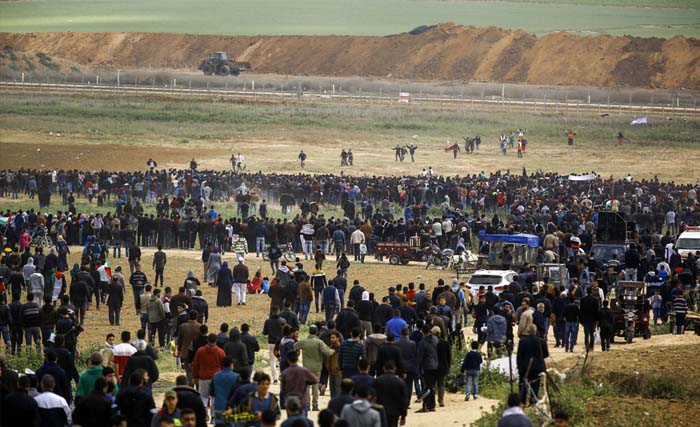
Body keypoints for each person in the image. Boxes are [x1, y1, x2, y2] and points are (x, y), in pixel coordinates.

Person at [294, 324, 334, 411]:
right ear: (316, 332)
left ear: (309, 331)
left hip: (306, 367)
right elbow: (327, 352)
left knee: (307, 387)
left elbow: (294, 346)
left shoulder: (304, 341)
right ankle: (315, 405)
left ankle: (307, 405)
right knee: (315, 387)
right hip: (317, 368)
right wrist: (335, 350)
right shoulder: (319, 342)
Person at [516, 324, 549, 406]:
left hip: (525, 367)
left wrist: (519, 367)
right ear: (536, 331)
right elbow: (546, 354)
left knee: (523, 384)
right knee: (535, 384)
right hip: (537, 367)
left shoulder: (522, 341)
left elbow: (519, 356)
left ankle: (523, 401)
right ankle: (533, 401)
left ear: (527, 331)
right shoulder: (541, 341)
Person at [192, 333, 226, 410]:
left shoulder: (200, 351)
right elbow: (224, 365)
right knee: (215, 398)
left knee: (203, 397)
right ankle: (213, 416)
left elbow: (195, 365)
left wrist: (194, 377)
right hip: (217, 378)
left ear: (207, 340)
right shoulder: (221, 352)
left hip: (203, 377)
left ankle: (204, 413)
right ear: (216, 341)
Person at [373, 360, 408, 427]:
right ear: (395, 368)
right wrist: (403, 416)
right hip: (394, 413)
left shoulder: (377, 381)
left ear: (383, 368)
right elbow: (404, 400)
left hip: (380, 411)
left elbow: (373, 397)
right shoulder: (400, 382)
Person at [416, 324, 439, 412]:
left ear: (422, 332)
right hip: (436, 365)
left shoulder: (422, 342)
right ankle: (432, 405)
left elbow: (420, 357)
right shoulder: (435, 340)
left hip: (427, 366)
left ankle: (425, 405)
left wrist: (419, 367)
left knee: (426, 386)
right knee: (432, 386)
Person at [263, 306, 287, 384]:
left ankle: (275, 378)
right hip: (281, 343)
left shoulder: (268, 321)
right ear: (279, 311)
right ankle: (281, 375)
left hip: (271, 343)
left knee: (272, 361)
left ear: (272, 312)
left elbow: (265, 332)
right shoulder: (283, 321)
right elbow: (286, 331)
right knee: (281, 360)